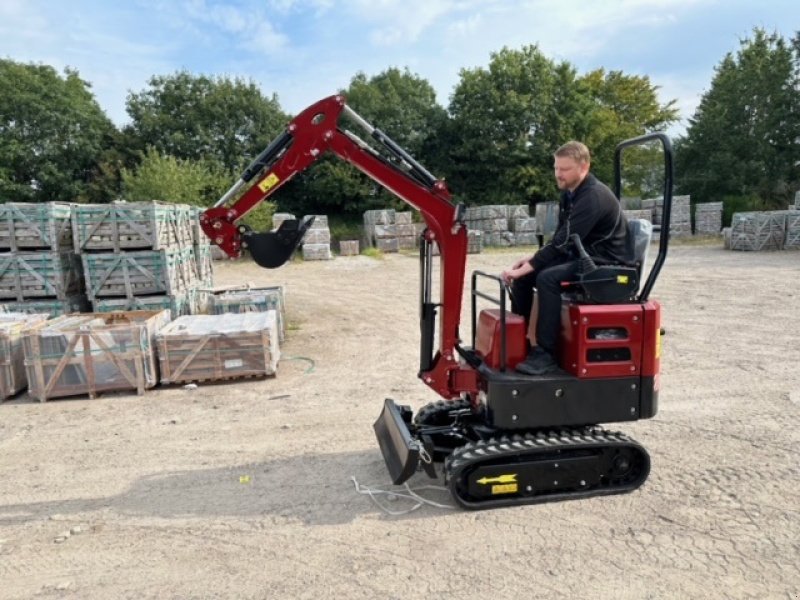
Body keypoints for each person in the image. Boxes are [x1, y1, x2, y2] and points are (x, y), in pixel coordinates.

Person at [502, 141, 629, 376]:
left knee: (547, 278)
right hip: (584, 255)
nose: (559, 174)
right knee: (525, 278)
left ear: (584, 167)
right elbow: (560, 237)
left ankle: (545, 353)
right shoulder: (570, 194)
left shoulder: (592, 197)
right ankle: (519, 340)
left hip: (606, 262)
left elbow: (565, 241)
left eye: (565, 169)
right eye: (556, 168)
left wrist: (529, 266)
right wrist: (530, 261)